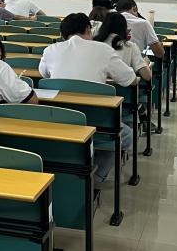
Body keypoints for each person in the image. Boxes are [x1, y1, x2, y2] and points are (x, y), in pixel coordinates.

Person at [39, 13, 136, 183]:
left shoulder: (50, 50)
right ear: (88, 29)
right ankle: (96, 177)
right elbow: (129, 79)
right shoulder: (103, 50)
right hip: (96, 120)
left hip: (58, 117)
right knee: (126, 136)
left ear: (63, 33)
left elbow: (44, 75)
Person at [92, 11, 153, 82]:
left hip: (95, 86)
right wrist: (145, 62)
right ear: (124, 28)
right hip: (123, 87)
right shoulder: (130, 46)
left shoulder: (94, 43)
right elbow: (147, 76)